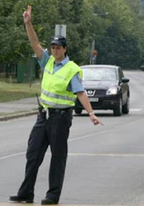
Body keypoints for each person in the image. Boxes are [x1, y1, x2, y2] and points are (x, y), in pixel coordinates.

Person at [9, 5, 102, 205]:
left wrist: (91, 113)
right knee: (33, 154)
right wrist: (28, 23)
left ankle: (52, 195)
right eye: (52, 47)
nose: (54, 50)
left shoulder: (71, 69)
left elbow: (80, 93)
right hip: (43, 115)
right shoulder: (48, 62)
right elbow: (34, 43)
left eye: (58, 47)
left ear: (65, 49)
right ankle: (26, 192)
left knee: (57, 158)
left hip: (60, 118)